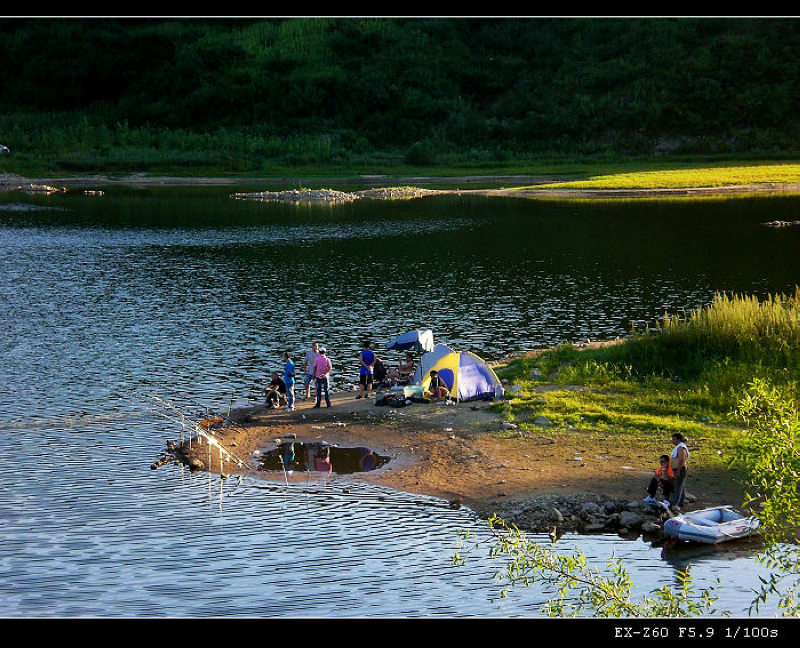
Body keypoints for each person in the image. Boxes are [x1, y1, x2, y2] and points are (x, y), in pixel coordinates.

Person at [669, 432, 690, 510]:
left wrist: (678, 471)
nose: (672, 441)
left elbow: (682, 460)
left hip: (680, 469)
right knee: (682, 485)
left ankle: (675, 504)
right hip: (677, 469)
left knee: (678, 486)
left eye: (674, 439)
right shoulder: (679, 447)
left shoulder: (681, 448)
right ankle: (682, 501)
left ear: (678, 440)